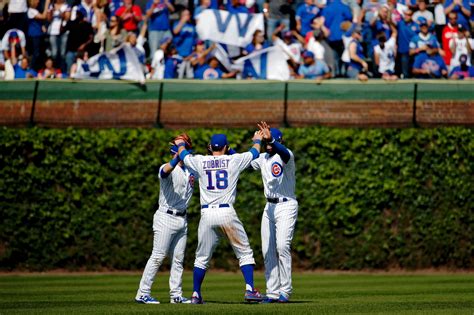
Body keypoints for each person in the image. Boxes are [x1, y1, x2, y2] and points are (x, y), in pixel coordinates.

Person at [174, 131, 265, 304]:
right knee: (244, 253)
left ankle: (195, 294)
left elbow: (184, 156)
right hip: (226, 212)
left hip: (207, 214)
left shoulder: (200, 161)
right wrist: (258, 140)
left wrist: (180, 144)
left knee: (201, 258)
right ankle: (249, 290)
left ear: (210, 147)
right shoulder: (234, 160)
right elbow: (254, 153)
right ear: (226, 147)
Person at [135, 141, 195, 304]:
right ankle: (143, 293)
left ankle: (176, 295)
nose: (189, 154)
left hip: (182, 218)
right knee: (158, 256)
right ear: (177, 153)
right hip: (165, 217)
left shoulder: (190, 169)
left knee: (178, 259)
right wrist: (176, 157)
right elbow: (163, 172)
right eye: (185, 151)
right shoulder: (169, 167)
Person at [250, 122, 298, 304]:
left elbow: (283, 152)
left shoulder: (286, 156)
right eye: (266, 141)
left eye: (270, 141)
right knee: (267, 250)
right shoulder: (263, 157)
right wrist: (227, 151)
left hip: (286, 205)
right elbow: (243, 160)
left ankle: (285, 291)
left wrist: (271, 140)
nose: (267, 144)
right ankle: (272, 292)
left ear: (277, 141)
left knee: (282, 247)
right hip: (269, 207)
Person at [27, 0, 51, 70]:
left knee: (40, 53)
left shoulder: (35, 10)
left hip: (38, 34)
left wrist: (42, 26)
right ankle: (31, 69)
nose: (38, 1)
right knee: (35, 53)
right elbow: (43, 16)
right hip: (34, 35)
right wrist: (47, 4)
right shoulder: (31, 11)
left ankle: (38, 68)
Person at [396, 9, 418, 78]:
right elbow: (390, 22)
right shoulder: (400, 23)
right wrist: (390, 11)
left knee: (412, 71)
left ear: (411, 16)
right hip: (403, 51)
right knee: (405, 72)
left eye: (408, 15)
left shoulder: (416, 25)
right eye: (405, 14)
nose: (406, 16)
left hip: (413, 52)